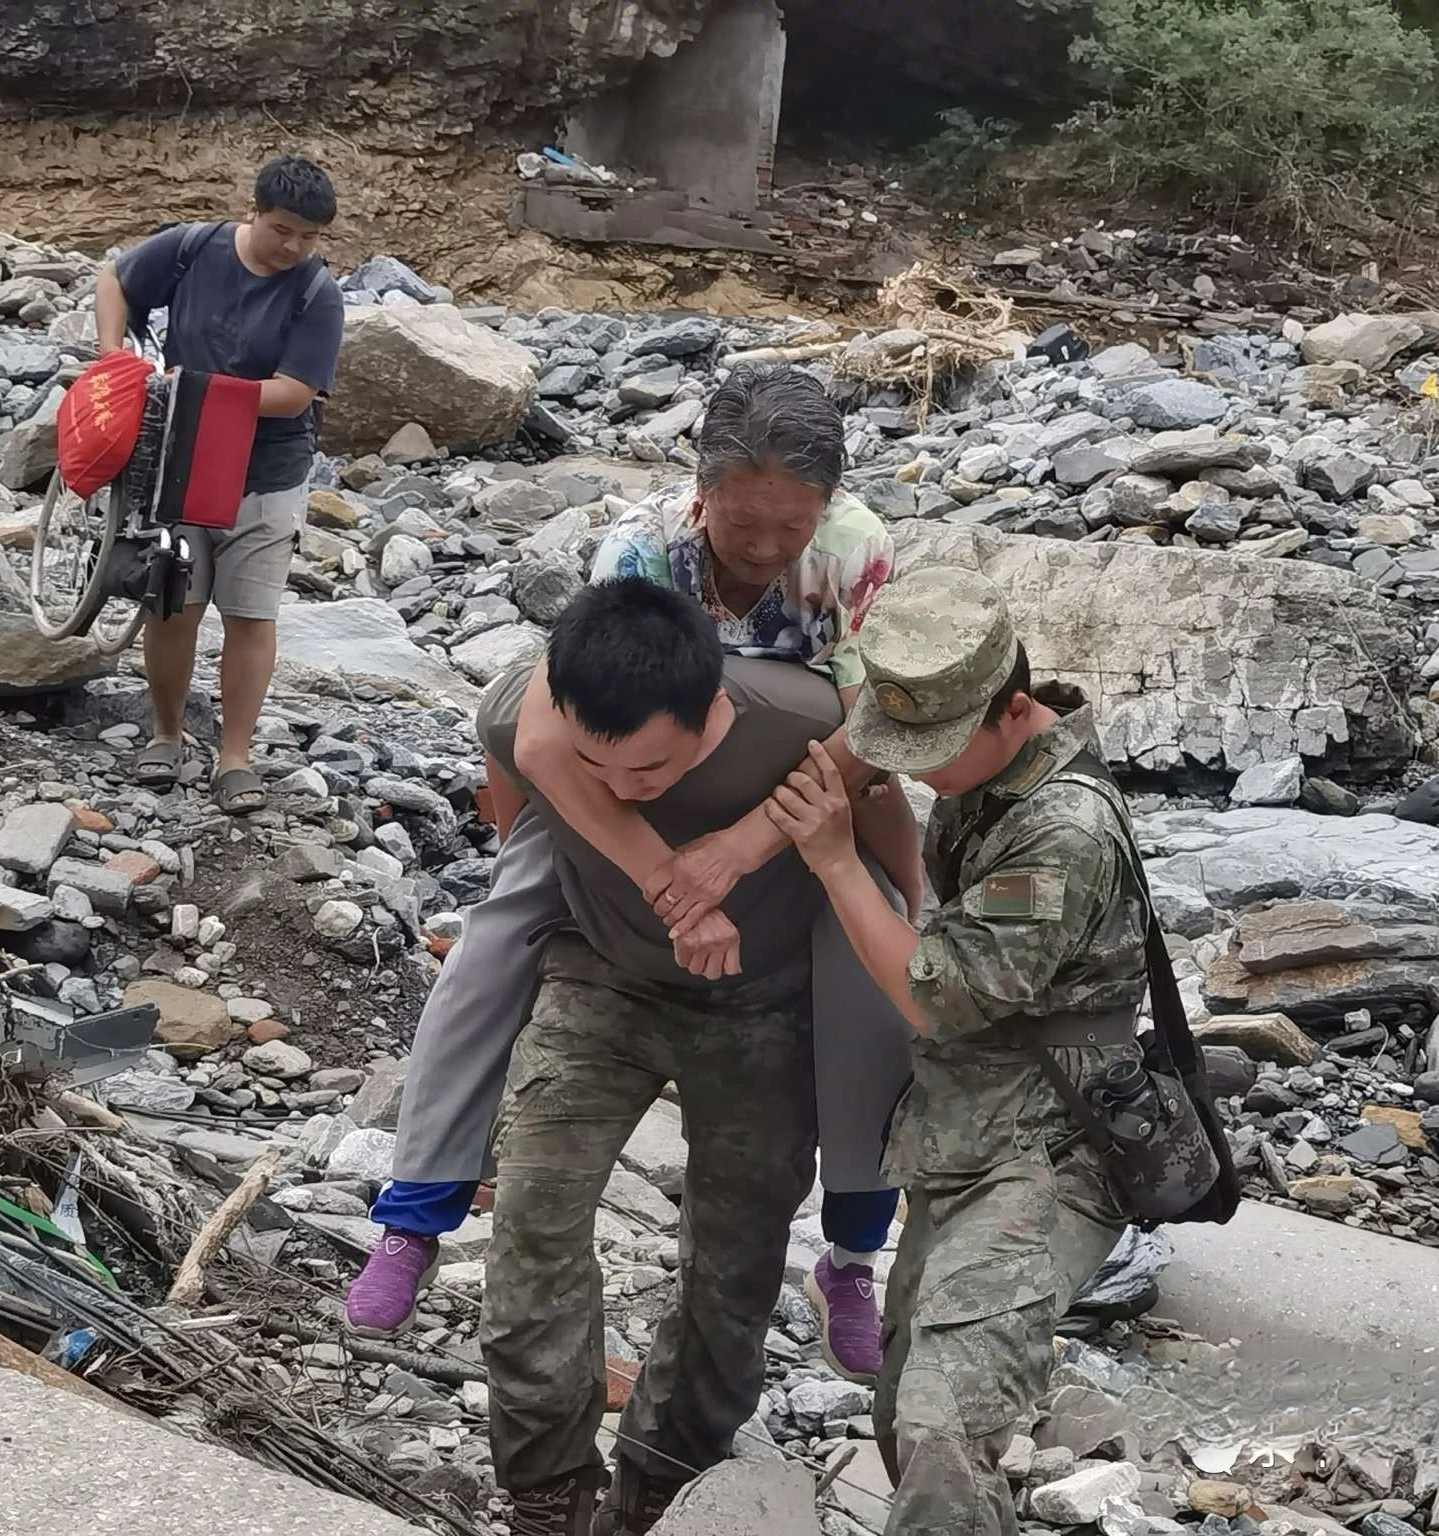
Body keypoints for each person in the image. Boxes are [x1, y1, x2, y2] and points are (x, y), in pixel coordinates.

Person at [348, 366, 917, 1383]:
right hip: (624, 776)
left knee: (871, 972)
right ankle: (416, 1210)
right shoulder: (641, 551)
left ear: (825, 507)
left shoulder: (852, 554)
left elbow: (871, 733)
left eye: (789, 526)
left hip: (791, 783)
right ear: (702, 492)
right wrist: (664, 880)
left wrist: (738, 850)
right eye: (741, 521)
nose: (763, 548)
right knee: (501, 925)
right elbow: (544, 733)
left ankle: (852, 1253)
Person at [764, 565, 1153, 1536]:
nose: (918, 773)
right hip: (966, 1131)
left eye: (933, 753)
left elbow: (936, 995)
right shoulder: (996, 753)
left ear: (1011, 708)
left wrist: (833, 860)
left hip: (1050, 1151)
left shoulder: (1063, 831)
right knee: (905, 1405)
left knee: (943, 1424)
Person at [470, 577, 852, 1534]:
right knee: (533, 1219)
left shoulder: (795, 716)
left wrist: (751, 848)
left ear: (711, 706)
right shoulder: (525, 712)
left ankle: (661, 1482)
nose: (618, 790)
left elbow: (887, 754)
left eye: (648, 770)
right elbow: (519, 801)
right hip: (599, 979)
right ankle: (548, 1488)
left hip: (763, 1003)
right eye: (593, 765)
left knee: (737, 1260)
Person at [91, 154, 345, 817]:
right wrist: (114, 355)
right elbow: (114, 279)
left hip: (268, 474)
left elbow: (293, 394)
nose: (293, 247)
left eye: (308, 237)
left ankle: (235, 757)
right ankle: (166, 733)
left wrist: (196, 389)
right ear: (253, 211)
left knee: (251, 615)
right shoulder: (192, 249)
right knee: (173, 605)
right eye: (282, 229)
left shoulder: (317, 293)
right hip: (182, 459)